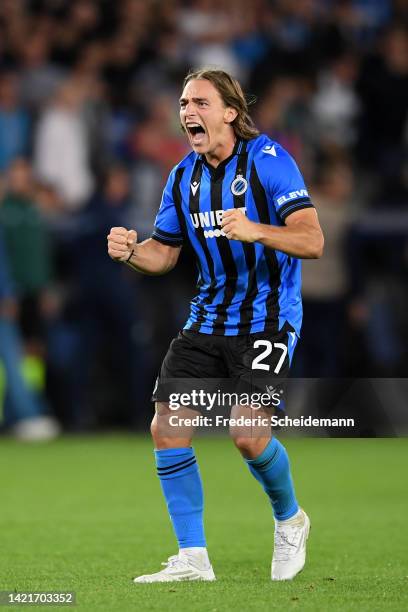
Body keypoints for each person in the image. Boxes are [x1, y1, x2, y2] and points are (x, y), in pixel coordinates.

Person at [107, 69, 324, 583]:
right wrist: (132, 252)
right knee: (166, 426)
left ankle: (291, 518)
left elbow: (312, 240)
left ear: (230, 111)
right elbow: (164, 254)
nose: (188, 112)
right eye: (183, 103)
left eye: (200, 102)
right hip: (207, 319)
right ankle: (192, 558)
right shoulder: (183, 176)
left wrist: (256, 230)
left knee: (248, 435)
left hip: (268, 320)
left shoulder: (270, 161)